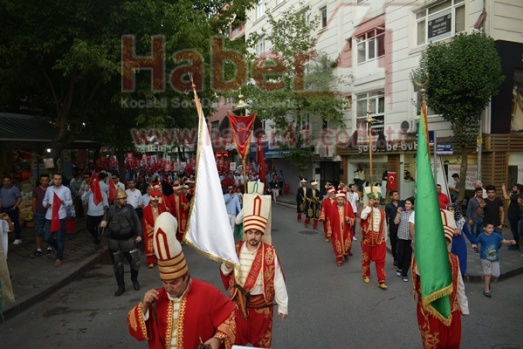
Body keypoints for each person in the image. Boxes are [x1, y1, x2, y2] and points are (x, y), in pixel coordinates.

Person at [128, 212, 236, 349]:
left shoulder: (207, 292)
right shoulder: (157, 298)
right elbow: (136, 331)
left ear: (186, 277)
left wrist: (217, 338)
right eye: (165, 282)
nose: (168, 288)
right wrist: (144, 306)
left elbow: (231, 316)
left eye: (174, 282)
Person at [220, 192, 288, 348]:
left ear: (261, 234)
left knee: (261, 343)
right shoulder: (235, 250)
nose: (253, 237)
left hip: (261, 306)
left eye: (257, 233)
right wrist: (226, 266)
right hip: (239, 305)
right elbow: (224, 273)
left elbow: (277, 279)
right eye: (250, 232)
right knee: (237, 342)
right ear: (245, 232)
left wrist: (283, 305)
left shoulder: (269, 252)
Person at [412, 224, 469, 348]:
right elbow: (418, 271)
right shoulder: (422, 259)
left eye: (445, 241)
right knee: (434, 344)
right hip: (431, 310)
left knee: (453, 343)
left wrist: (464, 307)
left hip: (452, 310)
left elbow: (459, 285)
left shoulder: (454, 259)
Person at [100, 188, 143, 296]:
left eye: (125, 197)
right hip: (115, 241)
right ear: (117, 199)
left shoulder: (130, 208)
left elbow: (136, 221)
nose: (125, 199)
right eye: (123, 198)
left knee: (134, 262)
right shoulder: (110, 210)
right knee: (118, 265)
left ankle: (134, 280)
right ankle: (121, 286)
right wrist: (102, 224)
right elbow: (103, 224)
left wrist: (139, 234)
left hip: (129, 239)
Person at [472, 222, 516, 297]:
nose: (491, 229)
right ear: (484, 228)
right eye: (489, 228)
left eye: (492, 228)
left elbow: (503, 241)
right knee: (488, 273)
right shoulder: (481, 236)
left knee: (496, 274)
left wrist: (510, 241)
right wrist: (474, 246)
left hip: (495, 258)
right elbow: (475, 242)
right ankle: (486, 290)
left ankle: (488, 281)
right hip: (485, 258)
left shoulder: (496, 235)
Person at [42, 173, 73, 267]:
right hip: (49, 216)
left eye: (59, 179)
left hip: (60, 216)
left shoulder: (66, 189)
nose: (57, 181)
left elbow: (70, 202)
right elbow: (44, 200)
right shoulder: (49, 189)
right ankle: (59, 249)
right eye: (55, 179)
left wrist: (64, 202)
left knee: (60, 238)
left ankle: (59, 257)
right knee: (47, 237)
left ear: (61, 180)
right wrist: (45, 204)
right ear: (53, 179)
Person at [360, 192, 388, 289]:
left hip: (379, 239)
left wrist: (385, 237)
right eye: (374, 199)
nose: (376, 201)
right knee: (366, 259)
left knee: (380, 260)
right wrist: (369, 206)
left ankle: (381, 280)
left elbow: (384, 226)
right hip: (368, 238)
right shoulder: (367, 210)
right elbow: (362, 217)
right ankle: (366, 275)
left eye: (377, 199)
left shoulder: (382, 212)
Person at [447, 203, 476, 276]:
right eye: (449, 210)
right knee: (450, 261)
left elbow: (467, 232)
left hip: (459, 242)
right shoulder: (445, 219)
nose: (450, 211)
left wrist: (474, 242)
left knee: (461, 259)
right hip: (449, 242)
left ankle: (461, 278)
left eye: (452, 209)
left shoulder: (461, 220)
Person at [141, 190, 168, 268]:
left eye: (156, 201)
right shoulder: (146, 209)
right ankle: (151, 261)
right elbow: (145, 220)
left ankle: (160, 259)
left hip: (160, 228)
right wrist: (152, 229)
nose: (155, 203)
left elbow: (165, 217)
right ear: (151, 201)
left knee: (161, 244)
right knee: (150, 245)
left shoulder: (162, 206)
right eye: (153, 201)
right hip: (151, 229)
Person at [328, 189, 355, 266]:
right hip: (337, 229)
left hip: (347, 229)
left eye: (341, 199)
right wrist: (330, 231)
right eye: (338, 199)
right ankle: (339, 258)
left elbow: (353, 217)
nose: (340, 201)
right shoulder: (333, 208)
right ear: (336, 200)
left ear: (344, 200)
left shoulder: (348, 207)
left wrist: (349, 219)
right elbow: (330, 220)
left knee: (348, 242)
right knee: (337, 243)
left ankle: (346, 254)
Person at [31, 174, 53, 257]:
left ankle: (49, 247)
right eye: (43, 180)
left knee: (49, 231)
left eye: (46, 180)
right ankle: (39, 248)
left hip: (49, 213)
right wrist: (34, 210)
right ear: (40, 181)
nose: (44, 182)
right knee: (39, 231)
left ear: (48, 181)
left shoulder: (51, 189)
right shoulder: (36, 190)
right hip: (39, 213)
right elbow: (34, 200)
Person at [82, 180, 109, 245]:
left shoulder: (102, 193)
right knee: (89, 227)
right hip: (90, 214)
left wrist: (105, 209)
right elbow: (83, 198)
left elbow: (106, 203)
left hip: (99, 214)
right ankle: (96, 236)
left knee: (98, 228)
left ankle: (97, 239)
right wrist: (86, 191)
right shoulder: (89, 193)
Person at [394, 197, 414, 282]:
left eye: (409, 204)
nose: (407, 205)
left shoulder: (414, 214)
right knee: (400, 254)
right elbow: (395, 222)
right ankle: (399, 267)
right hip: (401, 236)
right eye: (406, 203)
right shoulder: (402, 213)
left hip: (410, 238)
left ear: (412, 205)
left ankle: (404, 273)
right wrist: (398, 213)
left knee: (408, 256)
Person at [0, 175, 23, 245]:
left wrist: (15, 206)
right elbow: (1, 198)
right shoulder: (2, 189)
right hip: (3, 208)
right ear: (3, 182)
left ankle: (18, 238)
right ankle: (6, 237)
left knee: (15, 222)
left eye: (8, 181)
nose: (6, 183)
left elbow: (19, 198)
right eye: (5, 181)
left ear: (11, 181)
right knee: (4, 223)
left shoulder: (14, 188)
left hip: (12, 208)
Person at [502, 183, 522, 250]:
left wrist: (503, 189)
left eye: (515, 187)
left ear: (518, 189)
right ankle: (515, 244)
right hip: (513, 215)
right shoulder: (516, 195)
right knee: (514, 230)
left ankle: (516, 245)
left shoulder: (517, 196)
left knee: (514, 230)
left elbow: (506, 197)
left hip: (514, 216)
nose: (513, 188)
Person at [385, 190, 402, 266]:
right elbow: (386, 218)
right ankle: (395, 258)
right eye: (395, 195)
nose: (397, 196)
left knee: (401, 244)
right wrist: (385, 229)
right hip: (393, 227)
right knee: (394, 244)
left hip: (401, 227)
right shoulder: (388, 206)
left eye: (398, 194)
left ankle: (401, 258)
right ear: (391, 197)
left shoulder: (402, 203)